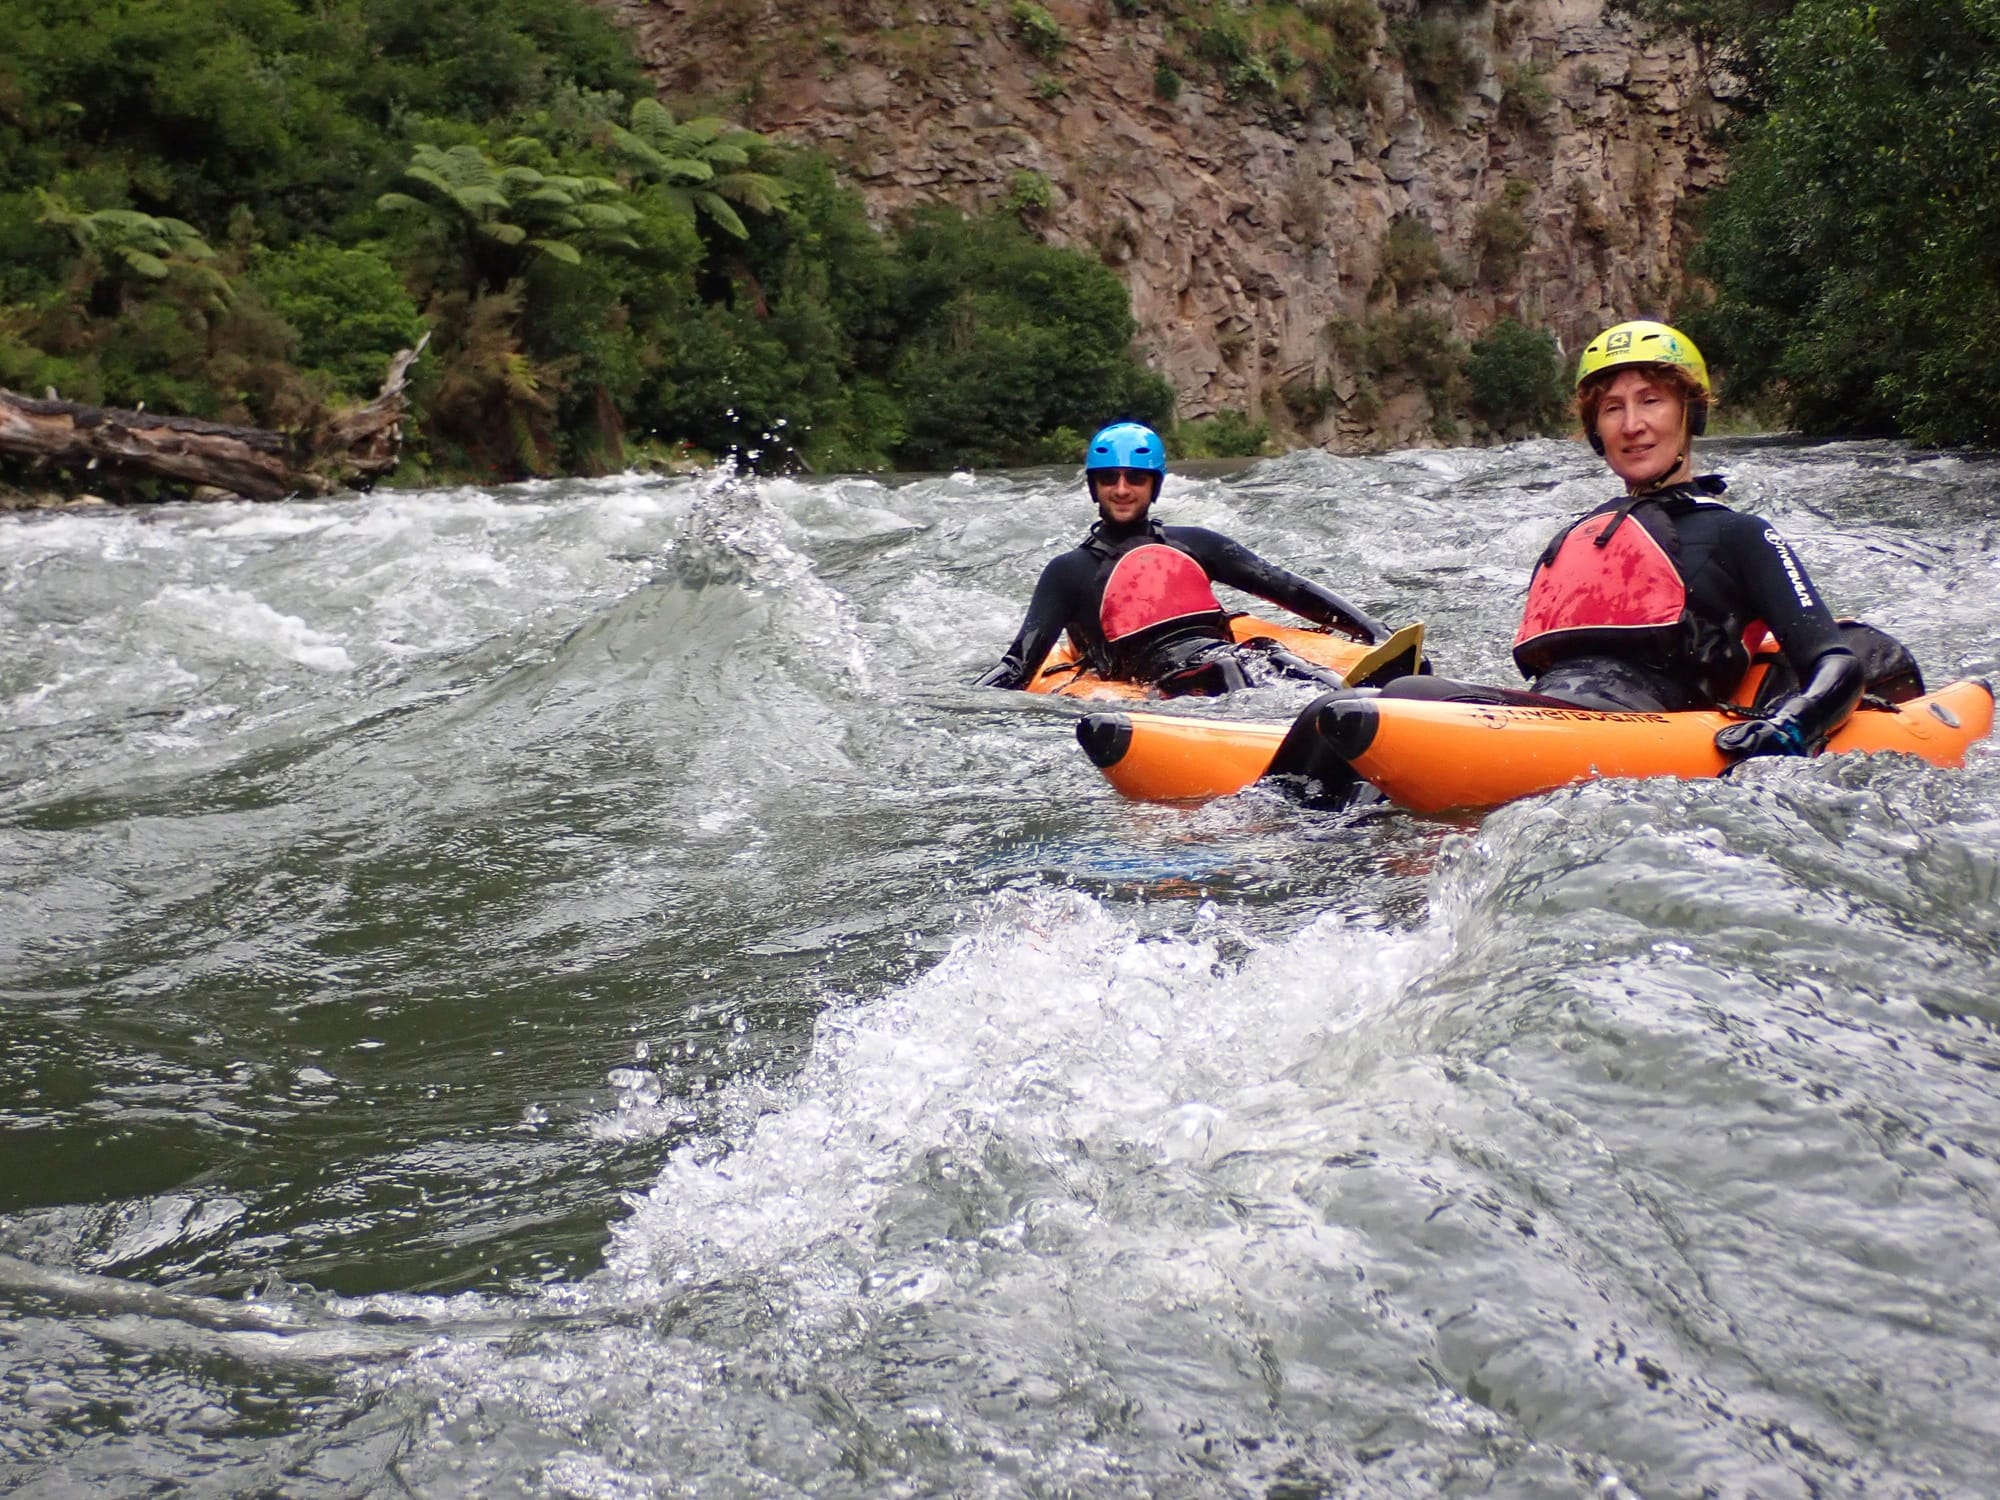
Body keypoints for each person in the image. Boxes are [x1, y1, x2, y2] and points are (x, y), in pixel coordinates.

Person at [1372, 319, 1878, 760]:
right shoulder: (1580, 536)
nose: (1632, 425)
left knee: (1405, 696)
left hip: (1645, 725)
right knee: (1398, 693)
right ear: (1597, 432)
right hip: (1552, 712)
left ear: (1690, 413)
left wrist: (1790, 726)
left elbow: (1836, 663)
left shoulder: (1740, 533)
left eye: (1651, 401)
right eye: (1612, 408)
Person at [975, 421, 1394, 695]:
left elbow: (1285, 587)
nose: (1121, 489)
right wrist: (962, 704)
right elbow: (1018, 665)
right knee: (1226, 669)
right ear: (1093, 486)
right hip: (1164, 679)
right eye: (1108, 478)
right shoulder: (1069, 572)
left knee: (1271, 654)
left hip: (1226, 654)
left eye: (1135, 478)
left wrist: (1374, 631)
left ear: (1154, 486)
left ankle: (1367, 705)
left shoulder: (1194, 543)